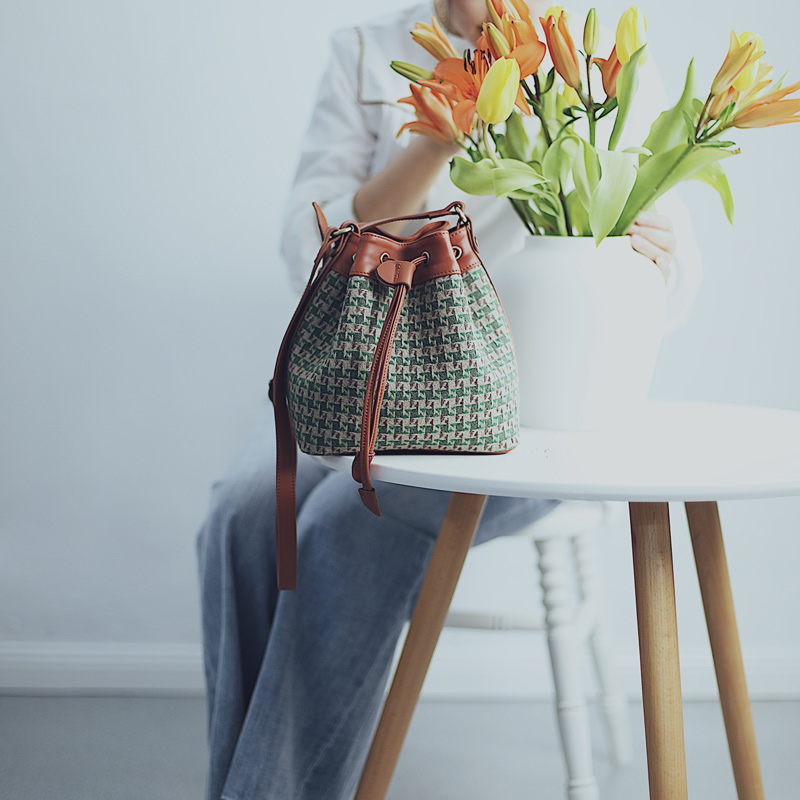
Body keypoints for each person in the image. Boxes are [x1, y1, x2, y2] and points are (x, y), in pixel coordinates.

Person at [196, 3, 703, 799]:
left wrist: (657, 252)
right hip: (356, 386)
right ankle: (245, 782)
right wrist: (438, 133)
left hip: (510, 419)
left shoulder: (585, 58)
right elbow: (308, 243)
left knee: (337, 524)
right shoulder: (367, 53)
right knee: (243, 510)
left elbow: (672, 274)